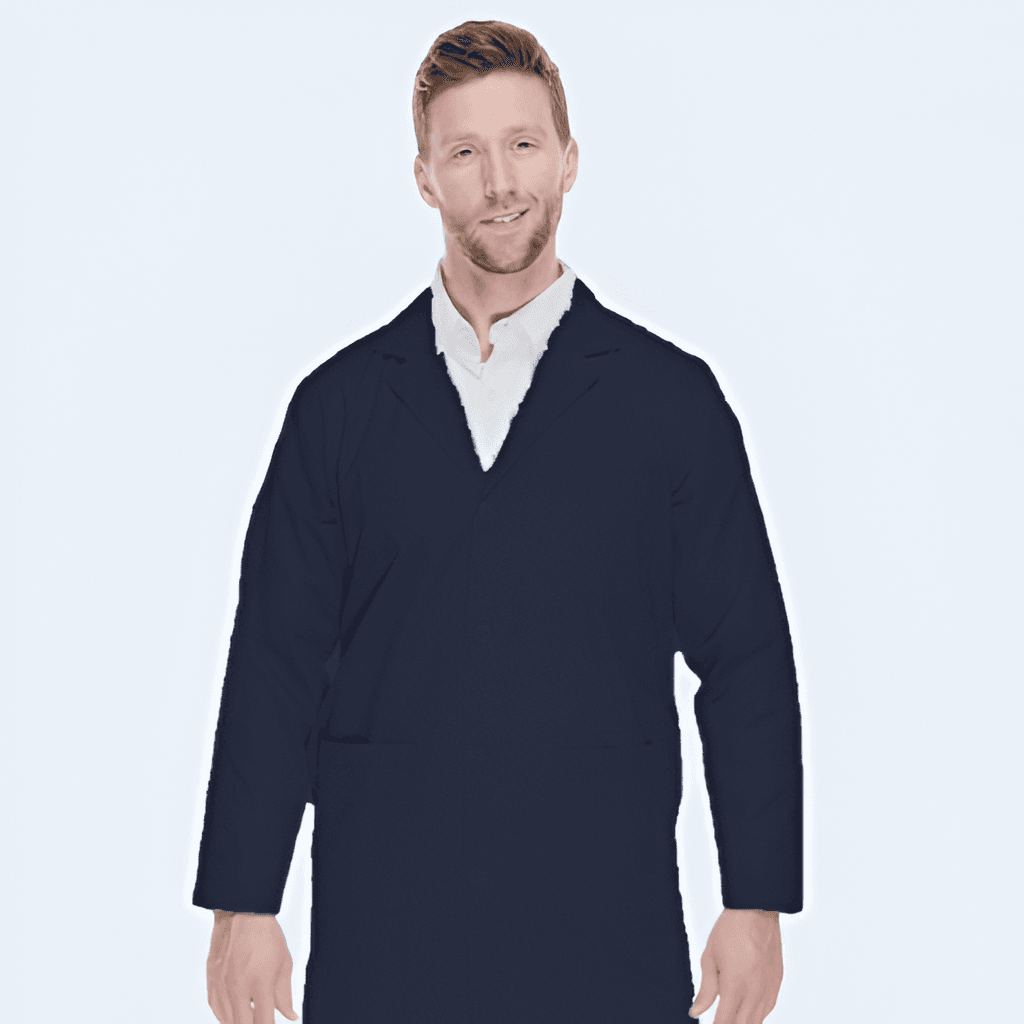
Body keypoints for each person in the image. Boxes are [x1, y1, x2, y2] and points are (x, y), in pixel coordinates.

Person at [194, 19, 803, 1024]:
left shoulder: (670, 404)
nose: (499, 180)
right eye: (465, 152)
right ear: (425, 177)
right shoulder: (338, 410)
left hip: (604, 929)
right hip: (386, 933)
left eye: (523, 144)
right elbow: (274, 662)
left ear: (569, 159)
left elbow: (745, 658)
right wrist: (242, 901)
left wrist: (757, 897)